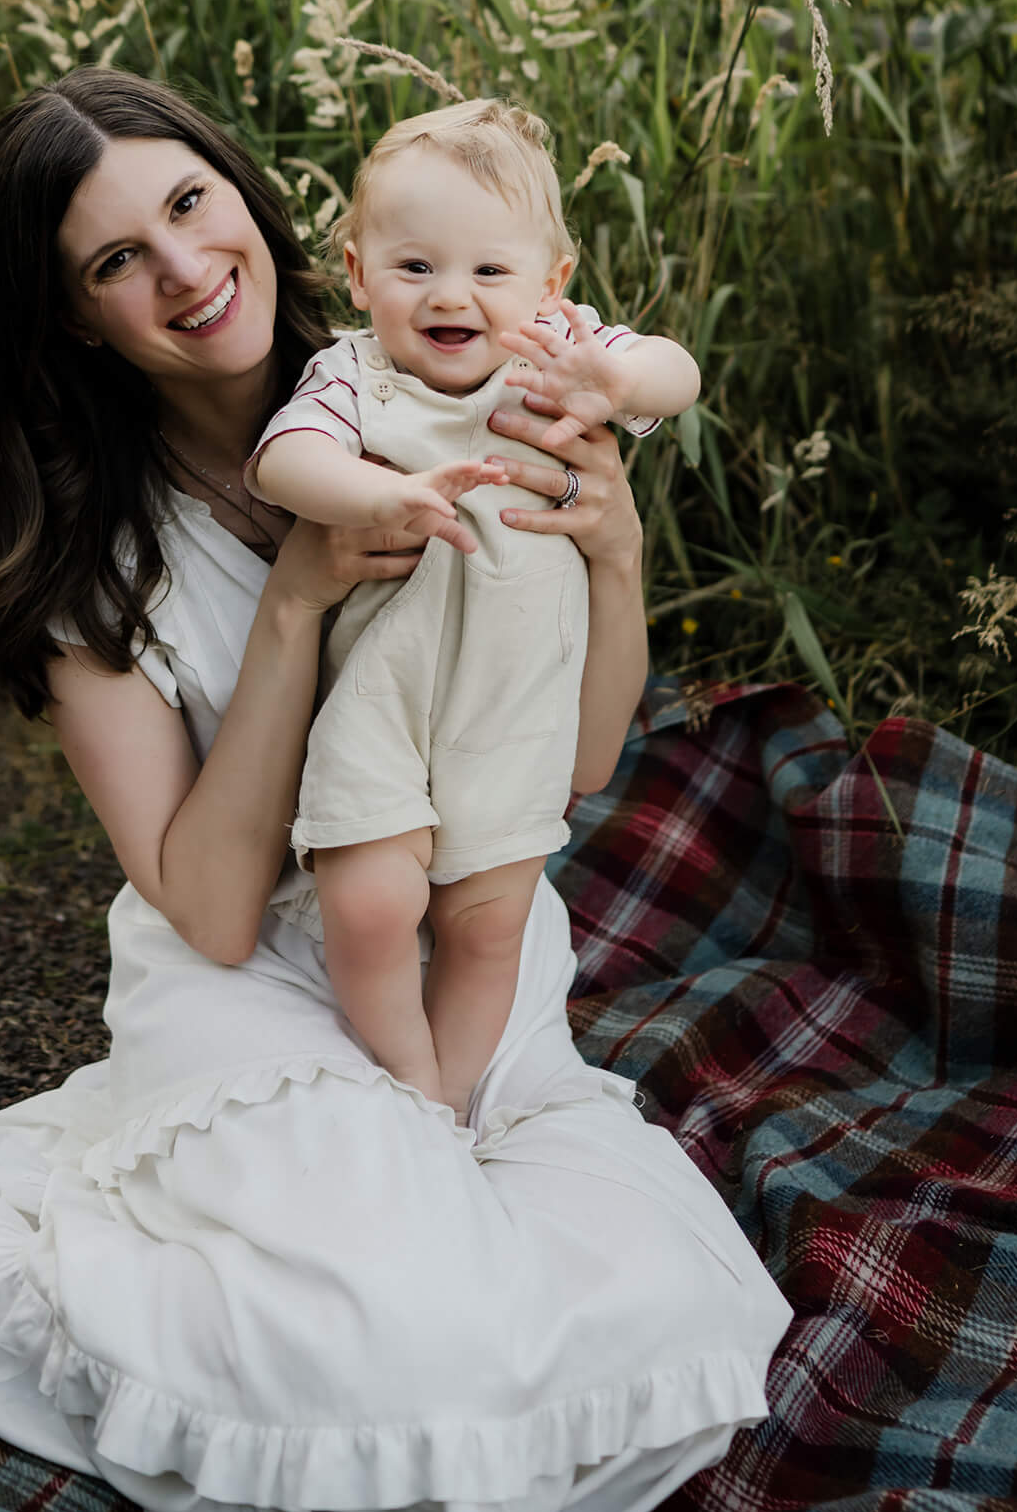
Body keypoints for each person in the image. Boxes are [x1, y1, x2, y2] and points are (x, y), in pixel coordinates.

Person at [0, 67, 790, 1512]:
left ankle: (49, 1231)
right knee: (407, 1342)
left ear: (247, 197)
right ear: (70, 313)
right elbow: (217, 910)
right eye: (117, 258)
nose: (184, 269)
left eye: (189, 203)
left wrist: (612, 553)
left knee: (643, 1320)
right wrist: (296, 603)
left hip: (466, 967)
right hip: (254, 977)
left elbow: (576, 762)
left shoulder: (446, 365)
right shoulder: (91, 562)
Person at [248, 99, 700, 1119]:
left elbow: (679, 373)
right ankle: (407, 1070)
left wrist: (616, 374)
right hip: (383, 688)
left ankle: (448, 1101)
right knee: (370, 901)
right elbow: (284, 460)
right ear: (360, 275)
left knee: (488, 921)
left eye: (489, 271)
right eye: (414, 268)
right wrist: (377, 494)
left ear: (551, 285)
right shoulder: (353, 375)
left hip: (515, 700)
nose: (451, 294)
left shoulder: (563, 361)